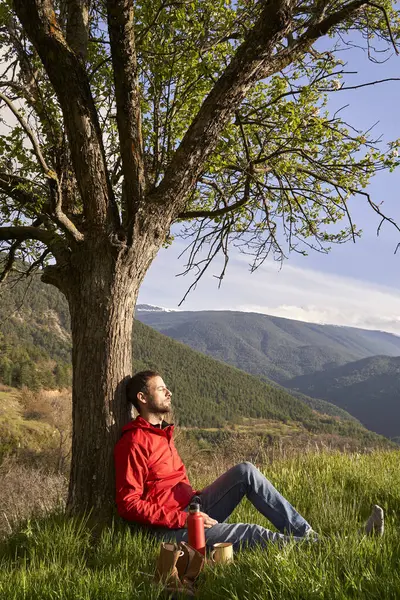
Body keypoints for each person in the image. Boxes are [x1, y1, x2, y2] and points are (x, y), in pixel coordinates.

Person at [114, 370, 384, 551]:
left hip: (192, 509)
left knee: (246, 471)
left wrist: (193, 507)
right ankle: (334, 547)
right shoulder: (134, 442)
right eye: (161, 389)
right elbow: (128, 504)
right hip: (167, 531)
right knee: (250, 532)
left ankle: (309, 537)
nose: (169, 392)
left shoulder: (162, 433)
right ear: (143, 398)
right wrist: (182, 519)